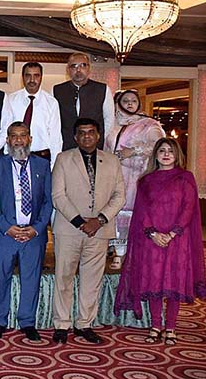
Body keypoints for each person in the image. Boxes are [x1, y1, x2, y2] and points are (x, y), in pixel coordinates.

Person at [114, 138, 206, 345]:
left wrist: (172, 234)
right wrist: (153, 233)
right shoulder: (146, 181)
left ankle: (171, 328)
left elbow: (188, 208)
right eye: (162, 150)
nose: (166, 154)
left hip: (177, 240)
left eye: (170, 151)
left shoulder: (185, 178)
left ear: (177, 155)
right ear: (155, 154)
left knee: (173, 283)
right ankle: (156, 325)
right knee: (154, 282)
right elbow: (142, 211)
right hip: (152, 240)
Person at [51, 118, 125, 344]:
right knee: (63, 278)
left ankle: (84, 324)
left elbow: (119, 196)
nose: (86, 136)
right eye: (81, 133)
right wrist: (80, 222)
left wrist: (99, 220)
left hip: (99, 230)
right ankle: (62, 324)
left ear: (98, 135)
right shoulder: (63, 159)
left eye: (91, 132)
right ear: (75, 137)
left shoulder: (112, 161)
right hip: (69, 229)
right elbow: (58, 196)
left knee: (92, 280)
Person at [0, 122, 53, 341]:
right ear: (7, 140)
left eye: (22, 136)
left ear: (30, 139)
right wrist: (6, 227)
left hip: (33, 235)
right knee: (0, 277)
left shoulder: (43, 166)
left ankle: (27, 321)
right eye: (13, 136)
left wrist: (36, 228)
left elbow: (48, 201)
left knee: (31, 278)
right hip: (6, 234)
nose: (18, 140)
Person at [104, 89, 164, 270]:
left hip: (135, 177)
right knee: (113, 211)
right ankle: (114, 249)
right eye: (126, 100)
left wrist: (134, 151)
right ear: (118, 103)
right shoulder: (112, 124)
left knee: (128, 214)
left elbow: (160, 146)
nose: (130, 104)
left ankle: (123, 254)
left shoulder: (148, 124)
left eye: (133, 100)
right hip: (114, 175)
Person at [53, 53, 115, 151]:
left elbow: (109, 120)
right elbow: (53, 122)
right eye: (74, 66)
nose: (78, 70)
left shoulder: (102, 89)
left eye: (83, 65)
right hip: (66, 146)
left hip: (94, 146)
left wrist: (98, 138)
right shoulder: (57, 90)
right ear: (68, 70)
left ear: (89, 69)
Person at [5, 62, 62, 166]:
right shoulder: (10, 100)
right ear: (22, 77)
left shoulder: (51, 102)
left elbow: (55, 138)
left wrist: (54, 166)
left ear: (41, 77)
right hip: (15, 155)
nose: (32, 80)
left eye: (36, 75)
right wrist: (5, 157)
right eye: (28, 75)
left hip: (42, 158)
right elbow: (6, 130)